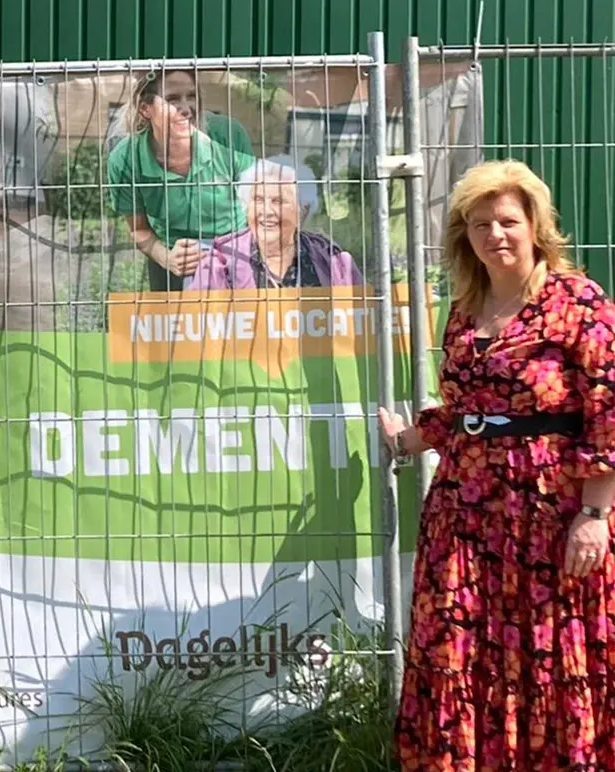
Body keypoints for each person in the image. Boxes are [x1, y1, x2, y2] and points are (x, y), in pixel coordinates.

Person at [377, 160, 615, 770]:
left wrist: (595, 514)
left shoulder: (579, 303)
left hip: (550, 517)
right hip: (462, 516)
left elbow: (608, 411)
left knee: (546, 649)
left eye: (507, 220)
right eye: (479, 224)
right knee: (457, 648)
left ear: (535, 225)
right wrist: (409, 439)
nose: (495, 234)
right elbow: (468, 409)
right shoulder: (465, 307)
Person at [108, 68, 257, 292]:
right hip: (172, 256)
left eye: (192, 96)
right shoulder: (125, 158)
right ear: (145, 109)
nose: (186, 108)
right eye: (172, 99)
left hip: (235, 252)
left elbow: (256, 203)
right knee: (173, 316)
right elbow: (138, 229)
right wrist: (167, 258)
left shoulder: (228, 135)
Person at [185, 159, 361, 289]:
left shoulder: (332, 261)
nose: (267, 211)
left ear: (303, 210)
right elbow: (202, 323)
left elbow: (360, 318)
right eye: (258, 200)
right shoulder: (220, 262)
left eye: (278, 201)